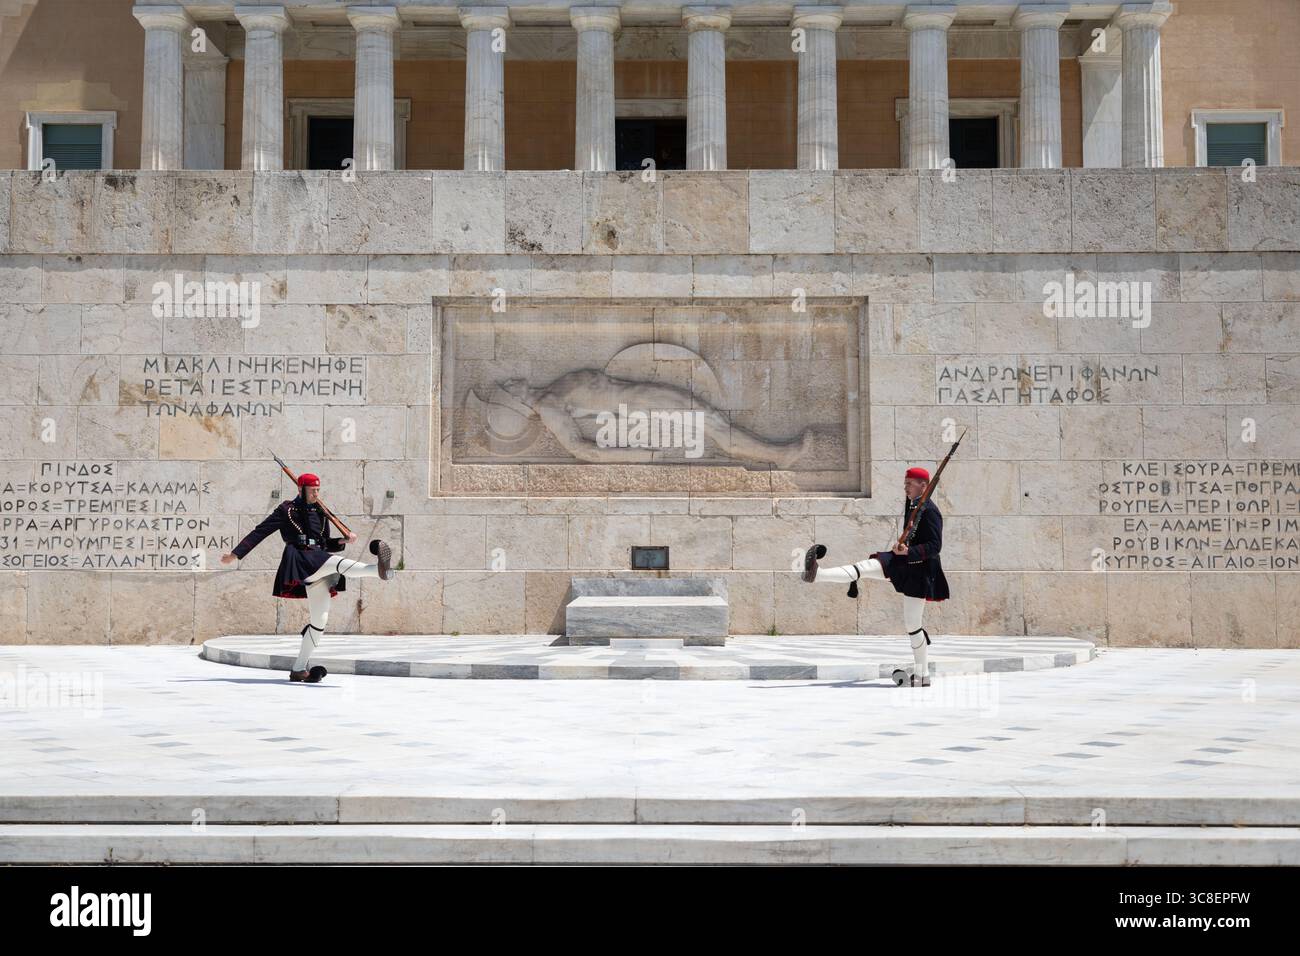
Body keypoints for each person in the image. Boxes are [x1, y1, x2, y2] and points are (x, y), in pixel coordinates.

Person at [220, 472, 393, 683]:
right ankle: (378, 570)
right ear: (300, 489)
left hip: (317, 559)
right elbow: (260, 532)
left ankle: (299, 669)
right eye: (312, 490)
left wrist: (343, 541)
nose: (316, 494)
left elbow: (324, 542)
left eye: (318, 490)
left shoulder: (320, 510)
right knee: (339, 564)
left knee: (320, 621)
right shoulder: (287, 509)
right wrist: (235, 554)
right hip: (301, 559)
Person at [801, 466, 949, 686]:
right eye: (905, 482)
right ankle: (817, 574)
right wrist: (903, 547)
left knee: (913, 626)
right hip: (902, 562)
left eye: (910, 483)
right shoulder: (914, 506)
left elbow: (935, 546)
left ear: (924, 486)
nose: (905, 487)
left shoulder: (930, 511)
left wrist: (909, 551)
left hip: (920, 572)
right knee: (864, 566)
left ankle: (922, 675)